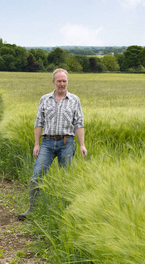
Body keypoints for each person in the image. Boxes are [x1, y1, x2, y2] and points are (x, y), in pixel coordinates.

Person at [18, 68, 87, 221]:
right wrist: (37, 144)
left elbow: (79, 123)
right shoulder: (44, 99)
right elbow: (39, 122)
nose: (62, 84)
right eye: (59, 81)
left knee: (65, 178)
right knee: (37, 176)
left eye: (64, 81)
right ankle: (32, 210)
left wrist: (82, 145)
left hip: (67, 142)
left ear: (67, 82)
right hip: (47, 142)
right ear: (53, 82)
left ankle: (66, 211)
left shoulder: (75, 100)